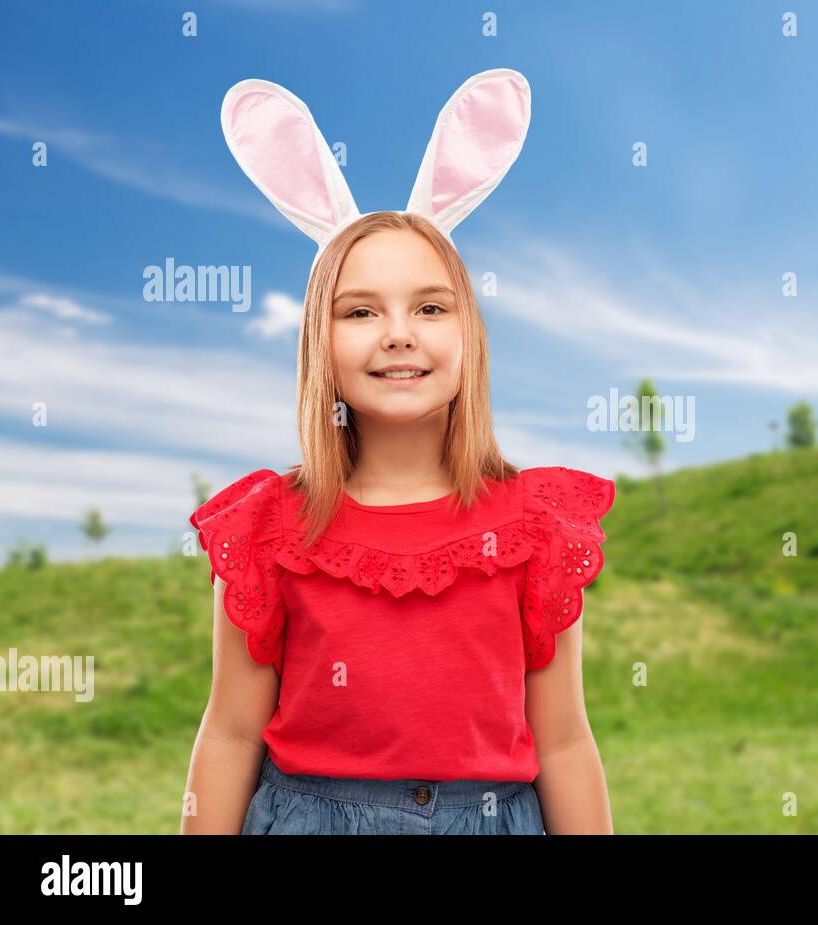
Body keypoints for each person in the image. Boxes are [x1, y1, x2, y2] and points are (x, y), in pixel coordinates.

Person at [180, 69, 615, 835]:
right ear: (321, 342)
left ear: (467, 335)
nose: (398, 332)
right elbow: (231, 732)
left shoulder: (534, 525)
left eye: (429, 306)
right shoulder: (270, 528)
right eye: (360, 310)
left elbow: (566, 741)